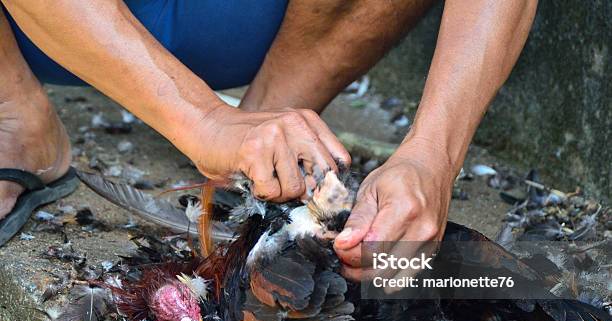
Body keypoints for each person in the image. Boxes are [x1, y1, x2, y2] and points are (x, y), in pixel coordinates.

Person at [0, 0, 537, 279]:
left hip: (253, 20)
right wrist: (202, 119)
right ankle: (13, 115)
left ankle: (266, 128)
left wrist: (433, 157)